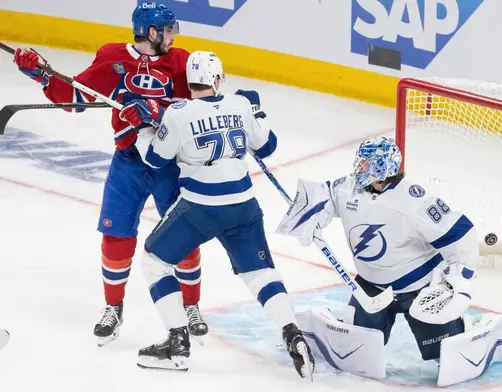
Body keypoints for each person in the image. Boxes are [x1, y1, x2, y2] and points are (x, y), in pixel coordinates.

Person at [12, 2, 207, 346]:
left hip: (171, 165)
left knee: (184, 237)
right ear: (151, 32)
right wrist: (43, 74)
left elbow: (200, 109)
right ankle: (113, 308)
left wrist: (160, 112)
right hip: (128, 162)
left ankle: (191, 306)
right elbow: (75, 98)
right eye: (168, 30)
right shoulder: (113, 57)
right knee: (116, 237)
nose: (173, 36)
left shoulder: (181, 62)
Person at [276, 136, 502, 386]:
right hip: (370, 287)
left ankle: (477, 329)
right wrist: (311, 214)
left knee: (445, 353)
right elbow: (326, 194)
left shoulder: (414, 202)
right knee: (356, 355)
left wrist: (458, 278)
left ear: (382, 169)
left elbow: (460, 233)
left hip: (420, 289)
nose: (358, 168)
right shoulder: (350, 187)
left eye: (365, 164)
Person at [134, 50, 315, 379]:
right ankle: (292, 333)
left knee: (153, 261)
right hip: (244, 205)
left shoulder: (178, 113)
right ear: (216, 79)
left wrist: (145, 127)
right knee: (259, 272)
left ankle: (177, 342)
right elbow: (268, 145)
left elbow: (154, 160)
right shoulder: (240, 105)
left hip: (200, 207)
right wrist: (258, 111)